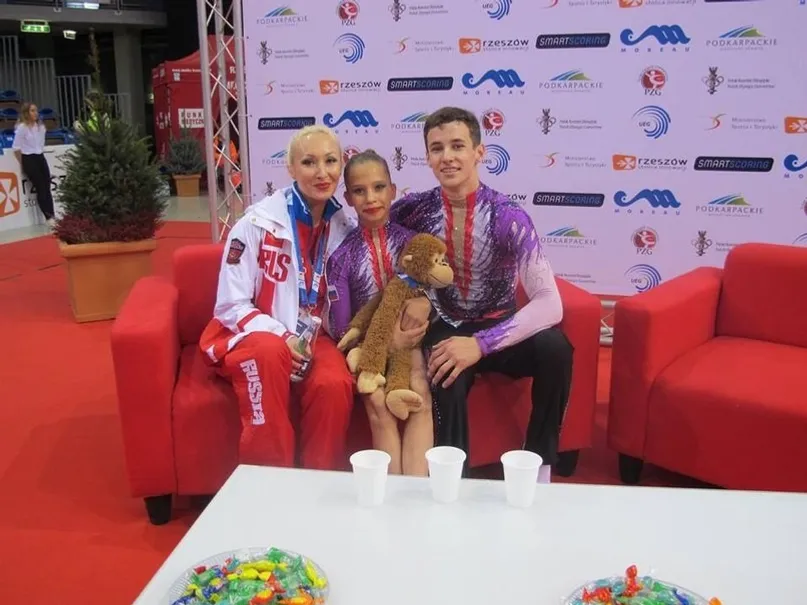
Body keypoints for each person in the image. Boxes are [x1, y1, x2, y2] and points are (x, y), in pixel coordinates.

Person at [389, 106, 574, 482]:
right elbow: (376, 238)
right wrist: (414, 292)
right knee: (447, 376)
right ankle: (453, 481)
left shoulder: (508, 216)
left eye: (457, 146)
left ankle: (539, 466)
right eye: (437, 148)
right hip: (447, 324)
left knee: (556, 349)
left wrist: (482, 344)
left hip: (499, 328)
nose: (447, 157)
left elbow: (549, 303)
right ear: (427, 157)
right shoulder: (411, 210)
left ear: (479, 152)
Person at [199, 125, 356, 470]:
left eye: (330, 161)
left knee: (333, 383)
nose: (322, 172)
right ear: (291, 168)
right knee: (269, 354)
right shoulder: (256, 224)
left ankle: (321, 484)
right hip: (255, 336)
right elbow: (230, 304)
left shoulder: (344, 228)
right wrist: (282, 336)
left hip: (313, 337)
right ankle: (268, 483)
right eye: (309, 162)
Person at [327, 150, 433, 476]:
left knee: (419, 392)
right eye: (359, 191)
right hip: (368, 348)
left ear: (393, 190)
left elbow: (436, 290)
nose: (371, 198)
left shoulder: (412, 244)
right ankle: (391, 495)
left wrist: (425, 306)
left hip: (412, 341)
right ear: (348, 198)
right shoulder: (341, 258)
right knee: (376, 402)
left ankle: (416, 493)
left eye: (378, 187)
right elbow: (342, 328)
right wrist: (386, 342)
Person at [11, 102, 55, 228]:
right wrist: (23, 163)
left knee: (47, 186)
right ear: (26, 113)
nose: (36, 113)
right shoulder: (22, 128)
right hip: (28, 158)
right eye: (32, 111)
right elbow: (16, 148)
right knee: (41, 187)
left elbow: (41, 144)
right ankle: (48, 217)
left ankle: (52, 215)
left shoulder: (40, 127)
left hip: (40, 157)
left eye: (36, 110)